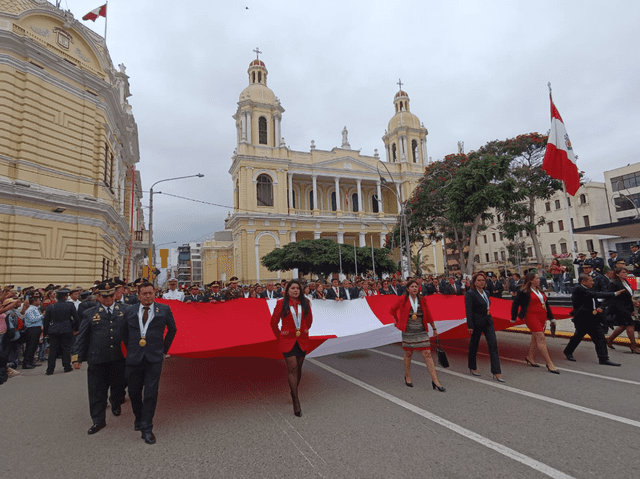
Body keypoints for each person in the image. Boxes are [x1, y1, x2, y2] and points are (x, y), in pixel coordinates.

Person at [122, 282, 177, 444]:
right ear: (138, 295)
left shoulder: (164, 309)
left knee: (151, 393)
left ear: (155, 293)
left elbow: (172, 330)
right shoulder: (129, 310)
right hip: (134, 357)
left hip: (154, 357)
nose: (147, 296)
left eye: (150, 293)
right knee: (133, 391)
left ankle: (147, 427)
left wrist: (163, 349)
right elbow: (123, 332)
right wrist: (131, 348)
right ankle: (138, 418)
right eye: (144, 294)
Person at [72, 282, 127, 434]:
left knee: (118, 386)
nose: (108, 298)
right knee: (97, 391)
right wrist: (76, 358)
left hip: (118, 357)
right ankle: (98, 420)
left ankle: (115, 403)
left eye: (110, 295)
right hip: (97, 358)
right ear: (98, 297)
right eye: (105, 296)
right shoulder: (90, 313)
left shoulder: (125, 310)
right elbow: (82, 336)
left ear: (115, 295)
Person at [390, 279, 445, 391]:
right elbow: (392, 310)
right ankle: (408, 376)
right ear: (407, 289)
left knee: (427, 353)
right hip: (408, 330)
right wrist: (397, 321)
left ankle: (435, 380)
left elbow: (428, 314)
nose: (415, 288)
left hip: (421, 330)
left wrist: (434, 328)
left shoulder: (423, 300)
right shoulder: (402, 300)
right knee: (409, 353)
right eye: (412, 287)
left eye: (416, 286)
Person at [270, 279, 313, 417]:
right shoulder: (280, 303)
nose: (295, 290)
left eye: (297, 288)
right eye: (293, 288)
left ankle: (293, 390)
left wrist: (303, 330)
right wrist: (281, 336)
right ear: (287, 290)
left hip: (302, 339)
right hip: (287, 340)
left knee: (299, 366)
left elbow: (309, 321)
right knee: (292, 367)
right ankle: (296, 400)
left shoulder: (305, 303)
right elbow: (273, 323)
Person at [563, 273, 623, 366]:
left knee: (600, 338)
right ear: (583, 281)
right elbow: (595, 294)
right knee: (578, 337)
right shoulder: (579, 289)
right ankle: (568, 351)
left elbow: (593, 300)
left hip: (592, 318)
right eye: (591, 280)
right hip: (582, 319)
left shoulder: (588, 289)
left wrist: (597, 309)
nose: (593, 282)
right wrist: (614, 293)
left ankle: (603, 358)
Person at [510, 273, 559, 373]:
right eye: (537, 278)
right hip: (531, 316)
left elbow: (546, 305)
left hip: (542, 317)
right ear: (531, 280)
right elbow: (515, 304)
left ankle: (530, 357)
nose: (539, 280)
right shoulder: (524, 292)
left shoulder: (540, 291)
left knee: (535, 338)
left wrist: (552, 318)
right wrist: (514, 317)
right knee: (541, 338)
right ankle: (549, 363)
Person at [465, 273, 504, 381]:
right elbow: (469, 311)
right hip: (476, 323)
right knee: (474, 345)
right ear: (474, 282)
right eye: (479, 280)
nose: (481, 282)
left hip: (488, 322)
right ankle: (472, 366)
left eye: (483, 280)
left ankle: (496, 371)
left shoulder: (486, 292)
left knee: (493, 345)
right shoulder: (470, 293)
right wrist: (470, 325)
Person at [43, 289, 80, 375]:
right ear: (65, 296)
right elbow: (76, 318)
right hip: (66, 329)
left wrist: (46, 332)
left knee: (53, 350)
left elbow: (46, 321)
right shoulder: (70, 305)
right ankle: (67, 367)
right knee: (66, 349)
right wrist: (76, 329)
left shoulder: (51, 306)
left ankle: (50, 369)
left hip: (53, 329)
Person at [606, 267, 640, 353]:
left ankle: (609, 340)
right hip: (620, 308)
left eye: (626, 272)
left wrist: (633, 302)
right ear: (618, 274)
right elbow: (611, 296)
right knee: (630, 325)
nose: (626, 274)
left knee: (623, 326)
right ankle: (634, 346)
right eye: (623, 272)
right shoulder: (614, 284)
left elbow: (629, 295)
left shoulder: (626, 282)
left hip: (628, 306)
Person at [22, 295, 44, 369]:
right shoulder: (31, 309)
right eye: (38, 300)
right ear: (34, 301)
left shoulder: (35, 309)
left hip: (36, 328)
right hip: (32, 329)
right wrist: (42, 316)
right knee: (30, 346)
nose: (39, 302)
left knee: (34, 346)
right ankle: (26, 363)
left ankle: (31, 362)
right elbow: (32, 319)